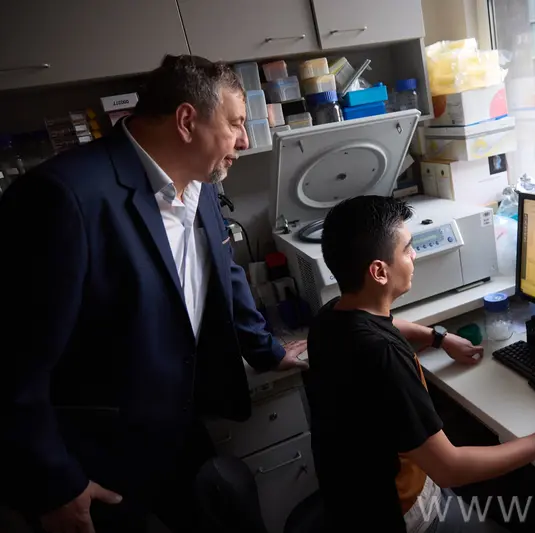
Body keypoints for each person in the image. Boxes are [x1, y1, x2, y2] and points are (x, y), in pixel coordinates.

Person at [0, 55, 308, 533]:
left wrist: (266, 350)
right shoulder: (63, 196)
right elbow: (12, 360)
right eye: (235, 123)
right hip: (96, 456)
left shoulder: (201, 181)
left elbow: (223, 271)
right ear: (186, 121)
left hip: (179, 425)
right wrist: (55, 482)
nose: (245, 140)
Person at [304, 196, 535, 533]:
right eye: (407, 249)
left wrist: (438, 338)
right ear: (379, 272)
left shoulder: (329, 318)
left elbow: (384, 325)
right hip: (403, 515)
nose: (414, 255)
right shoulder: (384, 356)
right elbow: (448, 469)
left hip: (351, 499)